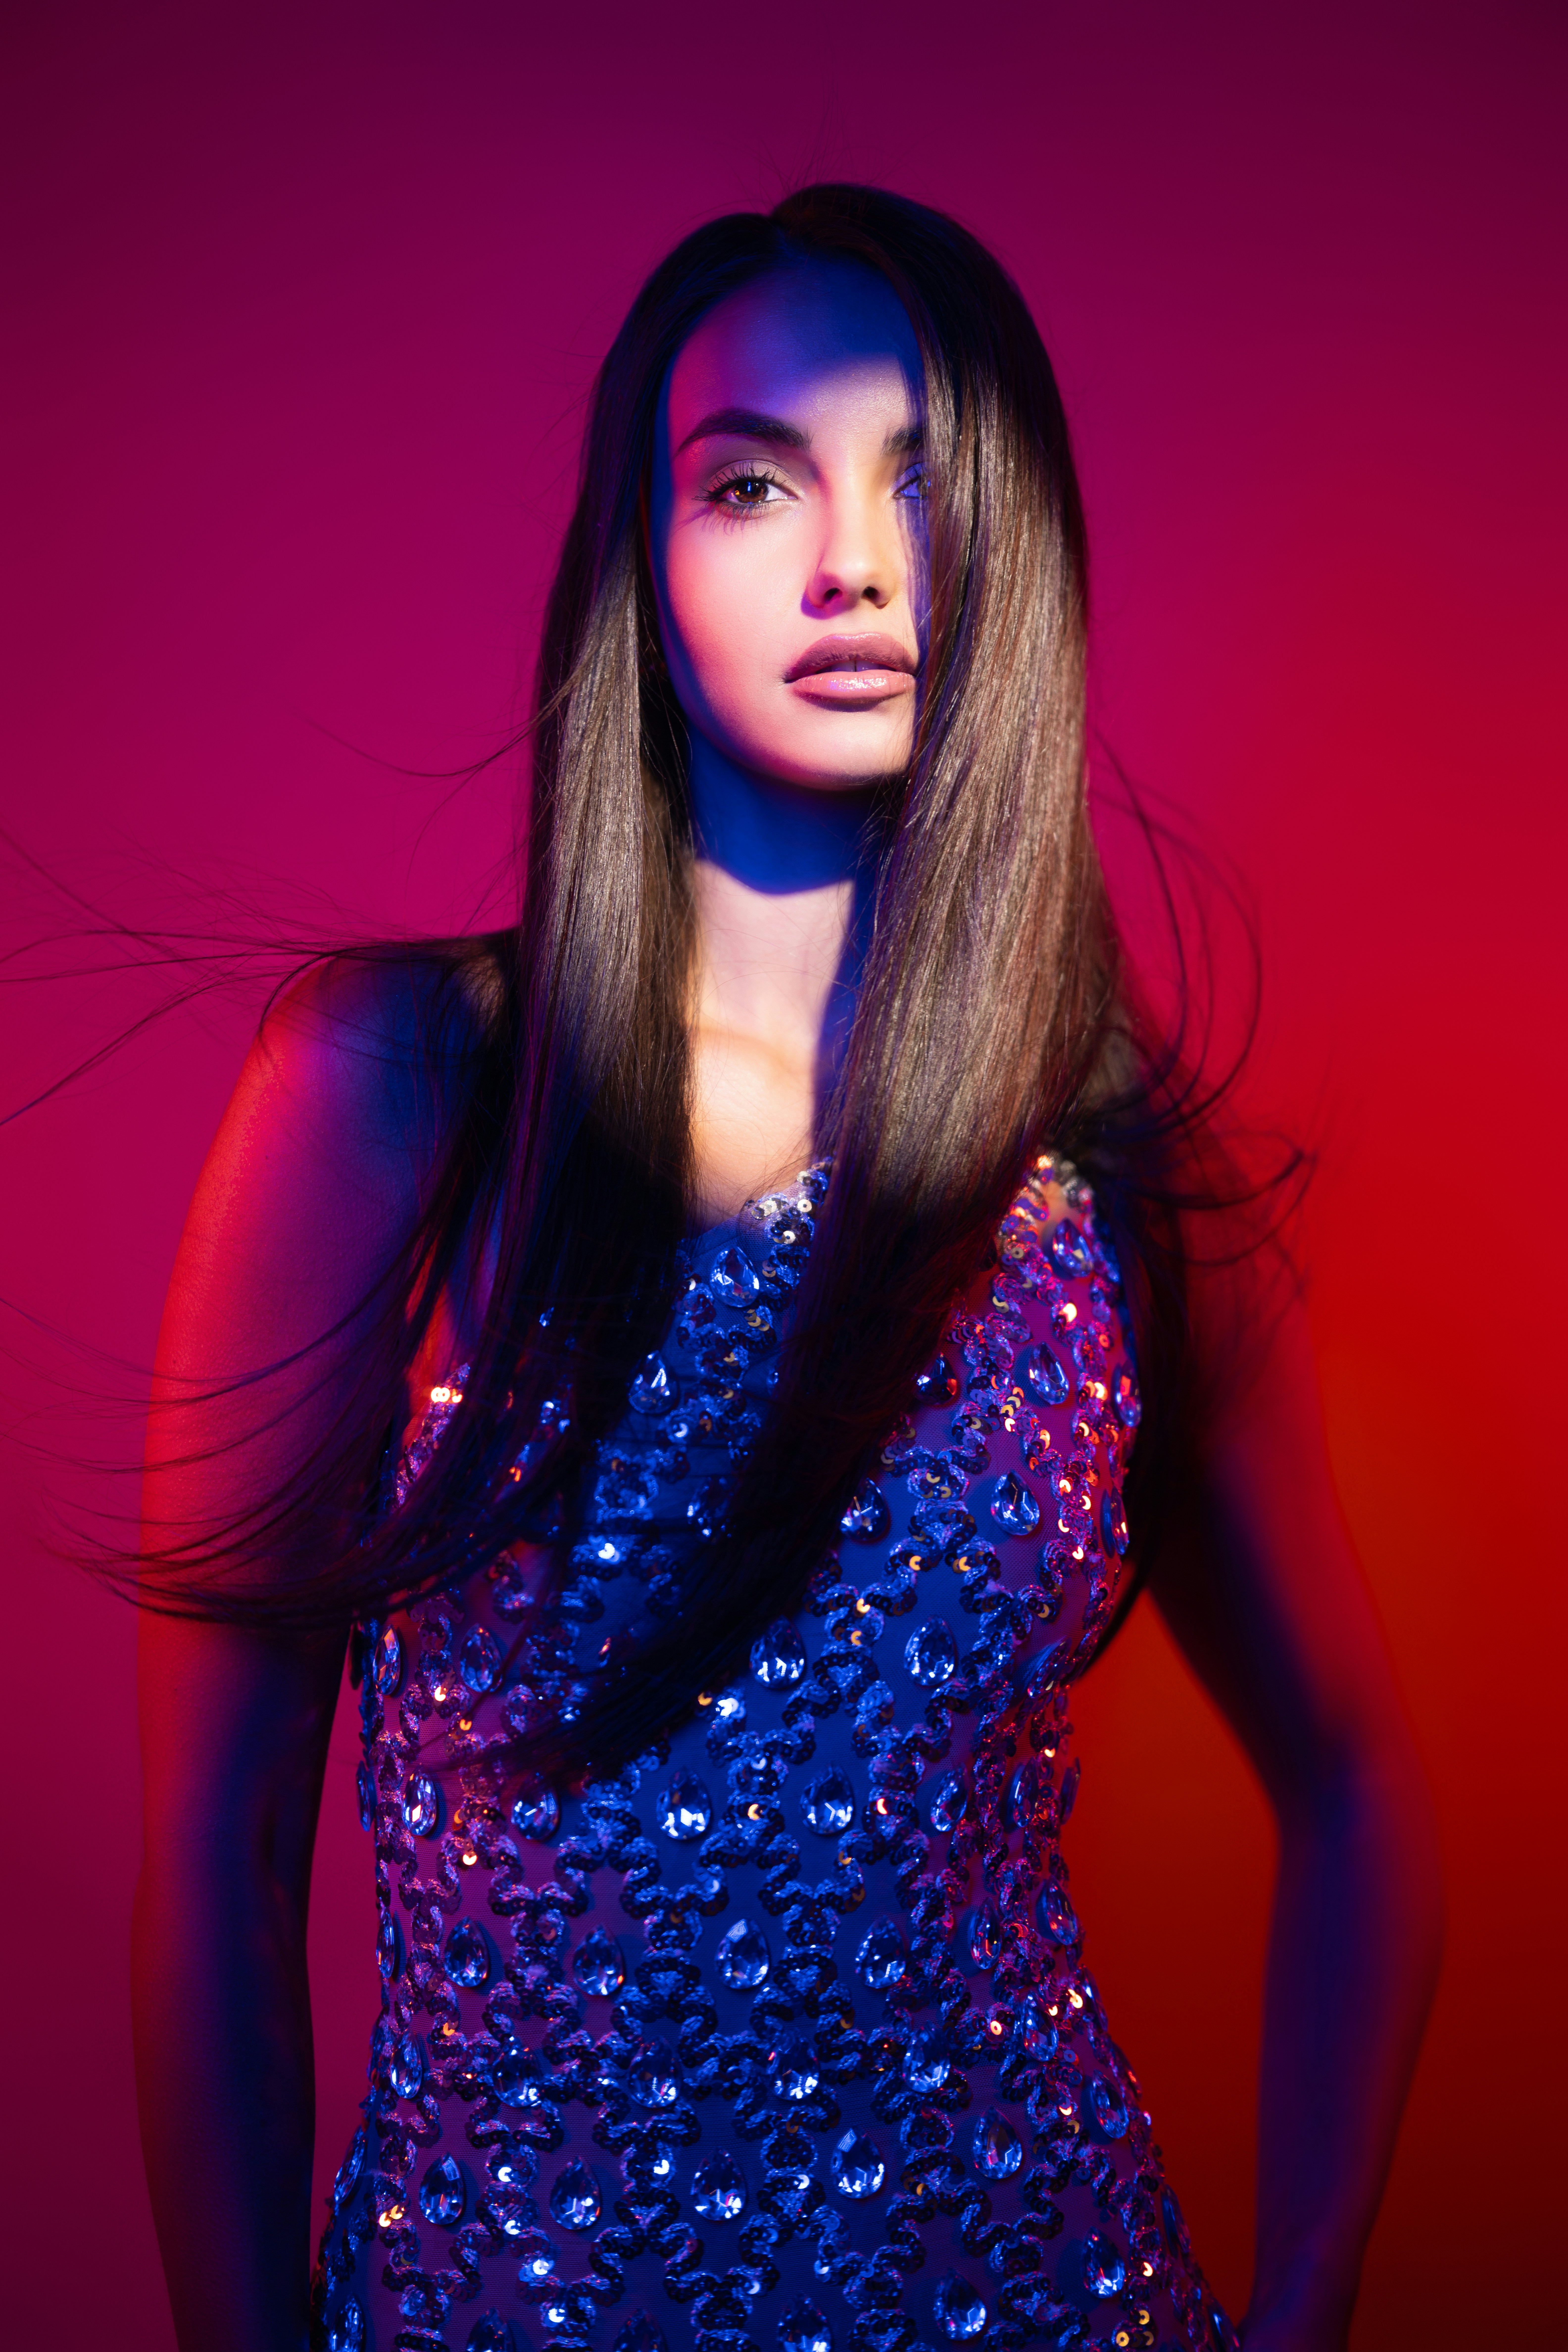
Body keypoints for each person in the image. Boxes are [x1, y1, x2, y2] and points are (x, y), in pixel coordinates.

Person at [130, 186, 1442, 2352]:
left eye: (926, 482)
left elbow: (1363, 1782)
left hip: (1041, 2293)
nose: (850, 559)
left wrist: (1304, 2302)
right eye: (755, 480)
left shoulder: (1111, 1164)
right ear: (639, 561)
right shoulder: (398, 1090)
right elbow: (219, 1839)